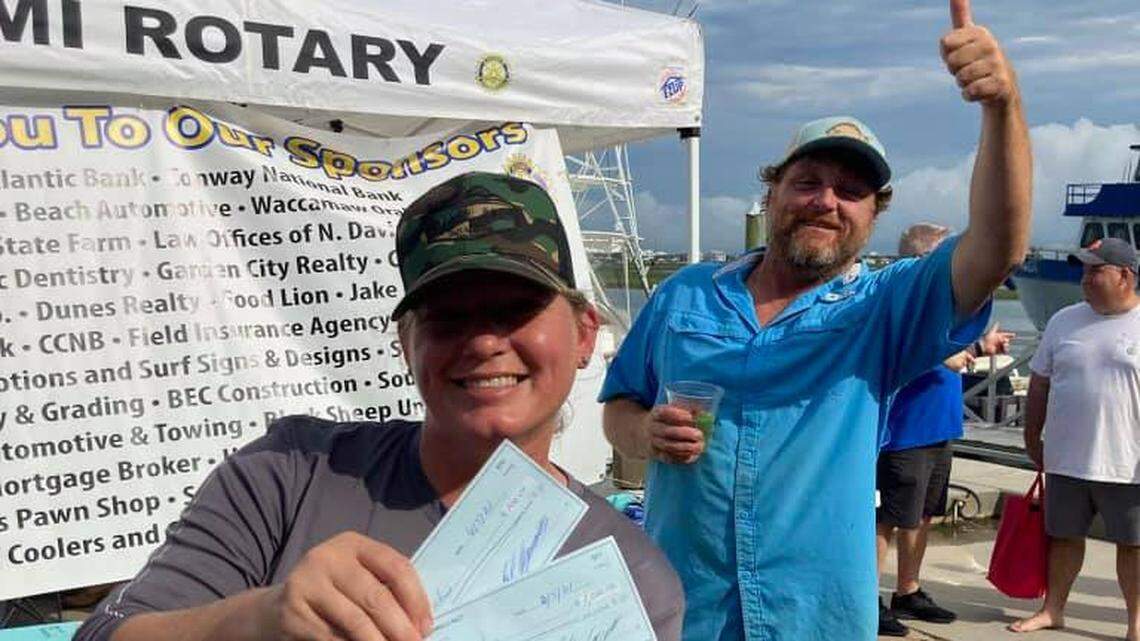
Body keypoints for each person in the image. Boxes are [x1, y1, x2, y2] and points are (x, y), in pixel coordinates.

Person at [74, 172, 685, 641]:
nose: (483, 342)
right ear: (407, 345)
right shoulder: (290, 473)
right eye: (448, 318)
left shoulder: (633, 578)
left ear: (583, 333)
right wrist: (262, 617)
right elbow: (106, 631)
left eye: (514, 309)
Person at [599, 0, 1032, 638]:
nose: (826, 202)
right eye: (807, 182)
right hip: (684, 608)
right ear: (771, 193)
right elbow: (618, 408)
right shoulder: (684, 294)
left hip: (813, 618)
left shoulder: (884, 307)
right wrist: (646, 435)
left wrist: (1002, 106)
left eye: (851, 191)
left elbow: (996, 248)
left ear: (874, 214)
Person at [876, 222, 1014, 637]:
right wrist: (955, 353)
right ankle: (868, 597)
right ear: (925, 260)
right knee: (885, 519)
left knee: (922, 515)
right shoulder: (901, 302)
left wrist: (977, 347)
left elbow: (956, 352)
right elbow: (913, 353)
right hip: (904, 431)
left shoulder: (944, 307)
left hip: (940, 426)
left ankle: (908, 590)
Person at [1011, 237, 1140, 641]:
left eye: (1094, 270)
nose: (1084, 278)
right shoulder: (1064, 319)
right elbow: (1040, 383)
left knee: (1133, 546)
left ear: (1125, 275)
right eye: (1083, 269)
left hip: (1127, 460)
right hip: (1067, 456)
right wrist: (1032, 434)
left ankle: (1136, 622)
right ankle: (1053, 610)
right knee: (1063, 538)